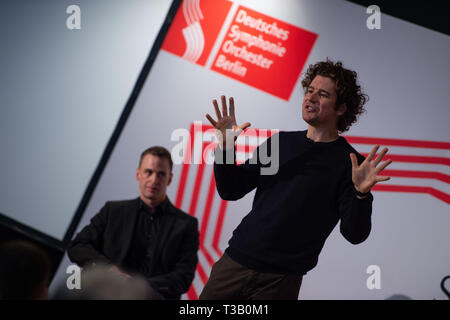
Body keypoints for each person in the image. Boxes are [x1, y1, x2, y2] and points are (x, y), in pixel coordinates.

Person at [200, 59, 393, 300]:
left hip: (280, 281)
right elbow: (231, 190)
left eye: (322, 94)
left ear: (341, 108)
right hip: (235, 263)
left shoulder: (351, 164)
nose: (310, 98)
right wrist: (227, 148)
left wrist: (361, 194)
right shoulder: (281, 143)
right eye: (309, 91)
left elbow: (354, 234)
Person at [67, 146, 199, 300]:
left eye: (161, 174)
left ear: (170, 179)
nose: (154, 180)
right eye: (148, 172)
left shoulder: (186, 225)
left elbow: (183, 277)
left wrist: (140, 285)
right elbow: (77, 246)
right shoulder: (113, 211)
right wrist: (109, 269)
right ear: (138, 174)